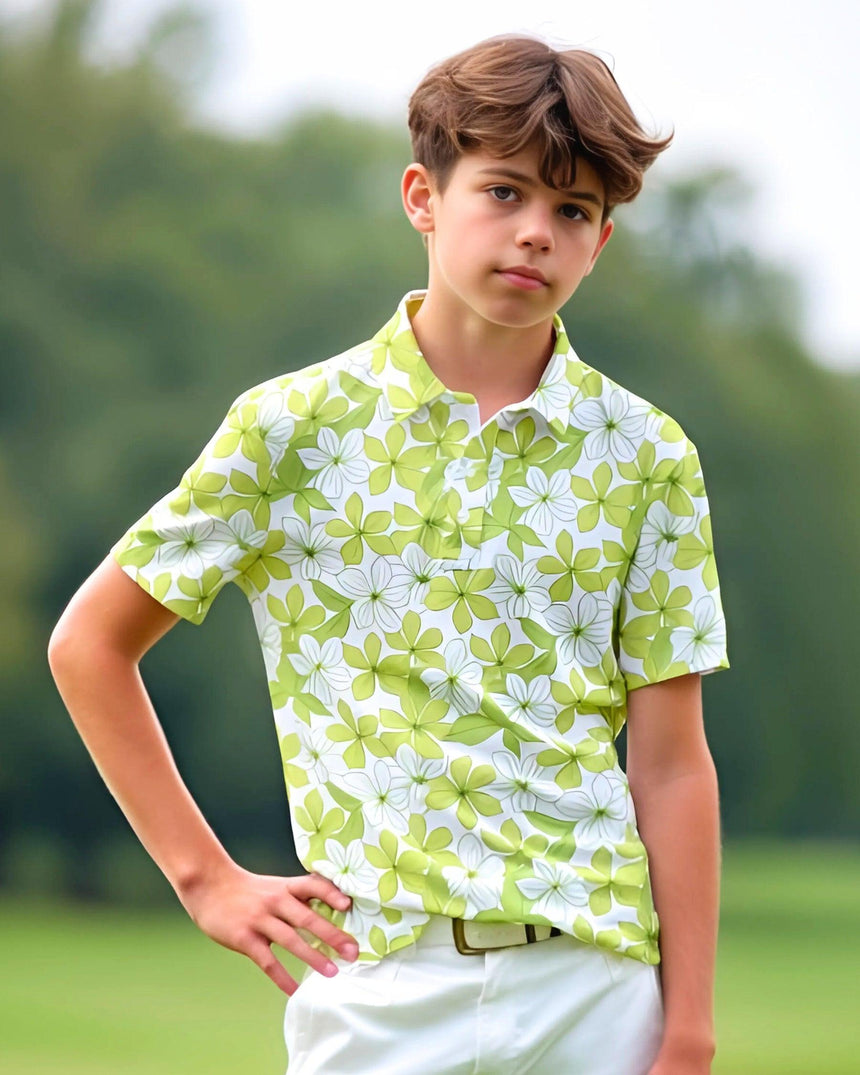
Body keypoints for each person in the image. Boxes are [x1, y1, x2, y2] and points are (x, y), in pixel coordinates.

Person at [48, 31, 730, 1075]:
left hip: (593, 992)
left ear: (599, 238)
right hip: (378, 988)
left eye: (573, 211)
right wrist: (205, 878)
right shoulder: (293, 428)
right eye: (502, 193)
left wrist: (684, 1028)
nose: (535, 232)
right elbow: (91, 643)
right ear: (423, 195)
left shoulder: (646, 456)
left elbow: (671, 763)